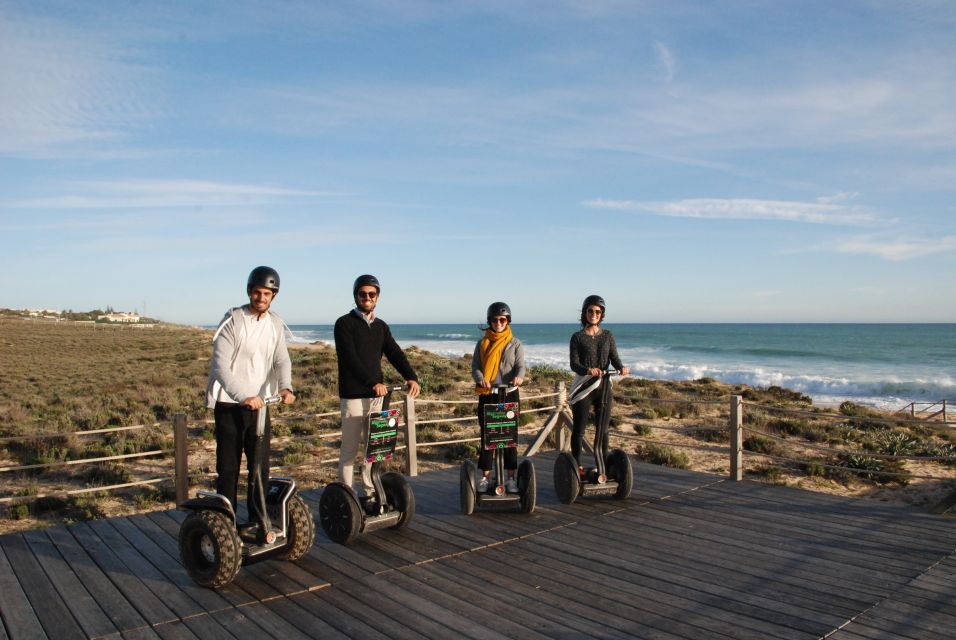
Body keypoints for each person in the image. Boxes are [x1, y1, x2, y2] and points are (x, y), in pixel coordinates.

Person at [205, 266, 295, 542]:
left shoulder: (275, 324)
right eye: (257, 292)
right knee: (229, 469)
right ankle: (225, 527)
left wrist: (286, 386)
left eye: (267, 293)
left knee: (259, 469)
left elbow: (281, 359)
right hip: (231, 406)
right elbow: (221, 366)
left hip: (260, 408)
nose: (261, 297)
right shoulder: (232, 320)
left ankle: (258, 522)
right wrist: (244, 395)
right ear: (250, 292)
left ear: (273, 296)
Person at [334, 274, 420, 497]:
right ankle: (346, 495)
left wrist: (411, 376)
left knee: (374, 449)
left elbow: (394, 352)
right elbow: (349, 359)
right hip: (354, 396)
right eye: (362, 294)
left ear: (377, 297)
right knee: (350, 450)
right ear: (356, 296)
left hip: (376, 397)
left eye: (371, 294)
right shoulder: (344, 324)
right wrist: (373, 383)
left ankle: (371, 492)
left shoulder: (381, 326)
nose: (367, 297)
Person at [568, 294, 630, 476]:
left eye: (598, 311)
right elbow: (573, 363)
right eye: (590, 311)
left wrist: (621, 368)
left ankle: (602, 466)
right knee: (579, 429)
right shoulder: (577, 337)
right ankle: (577, 466)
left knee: (602, 430)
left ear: (602, 314)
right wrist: (588, 370)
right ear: (585, 313)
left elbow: (614, 357)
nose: (594, 314)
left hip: (603, 387)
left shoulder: (608, 336)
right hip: (584, 387)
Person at [471, 302, 526, 493]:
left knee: (510, 437)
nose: (499, 323)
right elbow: (476, 367)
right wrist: (481, 379)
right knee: (488, 437)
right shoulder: (483, 343)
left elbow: (520, 366)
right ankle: (485, 478)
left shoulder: (515, 343)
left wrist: (519, 377)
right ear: (490, 321)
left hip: (509, 394)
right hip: (489, 395)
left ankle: (510, 478)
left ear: (507, 321)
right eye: (495, 320)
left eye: (502, 319)